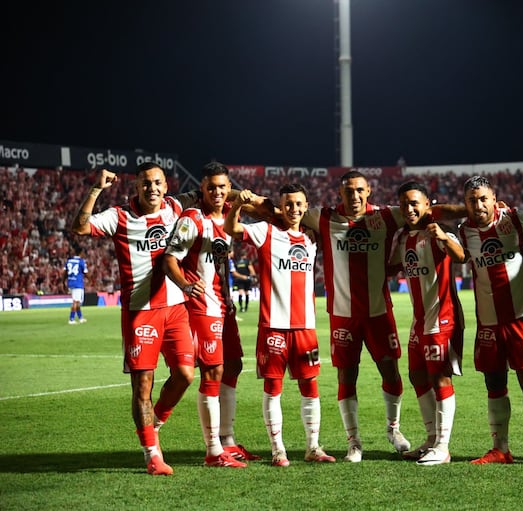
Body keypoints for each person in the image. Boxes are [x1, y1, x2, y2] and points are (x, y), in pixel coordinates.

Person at [300, 170, 464, 462]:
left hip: (379, 312)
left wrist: (471, 208)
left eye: (360, 191)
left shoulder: (387, 217)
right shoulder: (323, 217)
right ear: (340, 193)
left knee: (393, 372)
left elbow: (428, 209)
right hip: (342, 313)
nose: (355, 196)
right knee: (346, 376)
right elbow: (283, 210)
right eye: (349, 191)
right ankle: (354, 443)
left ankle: (394, 429)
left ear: (369, 191)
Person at [70, 164, 198, 476]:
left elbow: (211, 191)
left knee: (185, 375)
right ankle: (152, 454)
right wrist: (97, 189)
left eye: (157, 183)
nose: (152, 188)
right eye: (145, 184)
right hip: (141, 312)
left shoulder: (176, 207)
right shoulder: (119, 215)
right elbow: (80, 227)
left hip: (175, 308)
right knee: (143, 385)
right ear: (137, 187)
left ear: (166, 186)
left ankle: (156, 419)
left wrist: (246, 197)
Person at [224, 184, 336, 467]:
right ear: (281, 207)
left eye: (299, 204)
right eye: (288, 204)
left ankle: (313, 447)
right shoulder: (266, 231)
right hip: (273, 326)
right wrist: (237, 205)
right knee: (273, 388)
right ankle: (278, 450)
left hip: (305, 328)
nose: (294, 210)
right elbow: (232, 230)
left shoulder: (312, 237)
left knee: (310, 386)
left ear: (305, 206)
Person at [163, 161, 257, 468]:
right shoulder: (192, 219)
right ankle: (213, 449)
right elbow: (170, 259)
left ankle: (228, 440)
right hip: (203, 305)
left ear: (229, 188)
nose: (217, 192)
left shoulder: (230, 213)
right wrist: (186, 287)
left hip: (223, 302)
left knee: (234, 365)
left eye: (222, 186)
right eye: (211, 186)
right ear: (202, 188)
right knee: (213, 371)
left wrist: (228, 296)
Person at [457, 175, 523, 465]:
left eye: (484, 198)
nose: (478, 204)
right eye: (472, 200)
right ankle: (501, 448)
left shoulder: (515, 218)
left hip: (520, 318)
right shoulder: (464, 231)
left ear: (494, 199)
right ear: (466, 204)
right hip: (487, 323)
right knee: (494, 383)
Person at [389, 181, 464, 466]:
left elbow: (461, 256)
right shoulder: (402, 237)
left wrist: (444, 237)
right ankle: (431, 439)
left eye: (414, 203)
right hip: (419, 319)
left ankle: (443, 447)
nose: (409, 209)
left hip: (442, 316)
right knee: (417, 376)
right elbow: (392, 265)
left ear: (427, 204)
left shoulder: (437, 231)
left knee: (439, 377)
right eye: (404, 203)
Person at [65, 246, 88, 324]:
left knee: (77, 301)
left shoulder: (69, 261)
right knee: (75, 301)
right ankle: (71, 319)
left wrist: (63, 282)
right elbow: (85, 272)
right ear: (81, 253)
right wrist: (90, 279)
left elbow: (64, 272)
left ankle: (80, 318)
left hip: (71, 282)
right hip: (78, 283)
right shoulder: (81, 261)